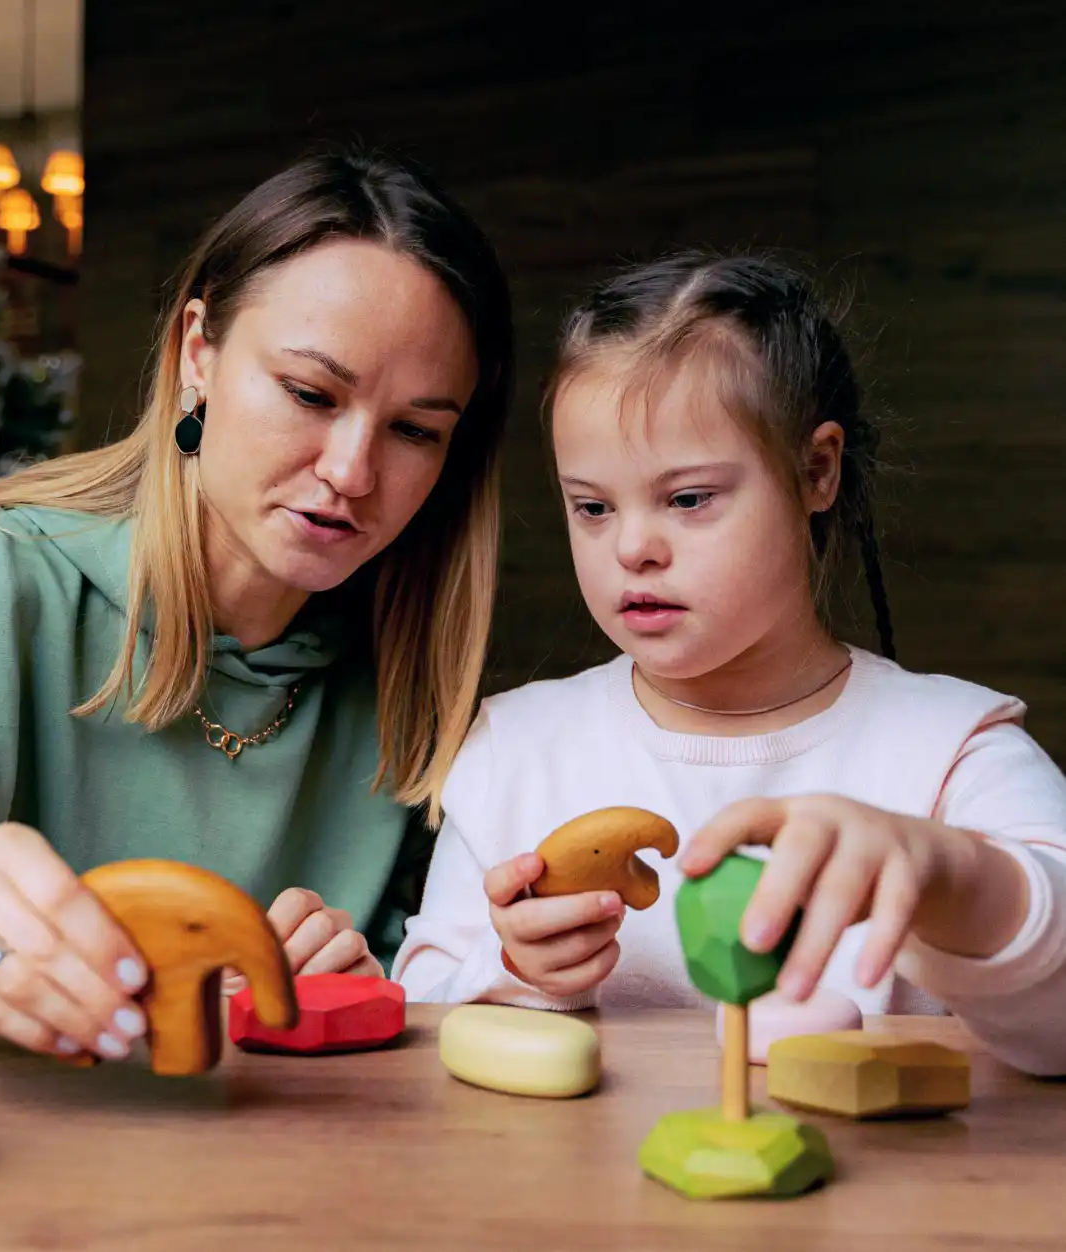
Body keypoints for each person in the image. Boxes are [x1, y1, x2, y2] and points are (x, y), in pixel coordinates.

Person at [0, 148, 514, 1065]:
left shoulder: (415, 695)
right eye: (309, 393)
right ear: (199, 354)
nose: (352, 472)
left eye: (415, 431)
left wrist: (349, 980)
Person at [392, 251, 1066, 1077]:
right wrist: (518, 973)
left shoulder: (953, 748)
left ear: (816, 471)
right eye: (593, 507)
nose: (633, 548)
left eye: (688, 499)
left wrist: (952, 874)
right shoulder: (515, 749)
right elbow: (419, 1010)